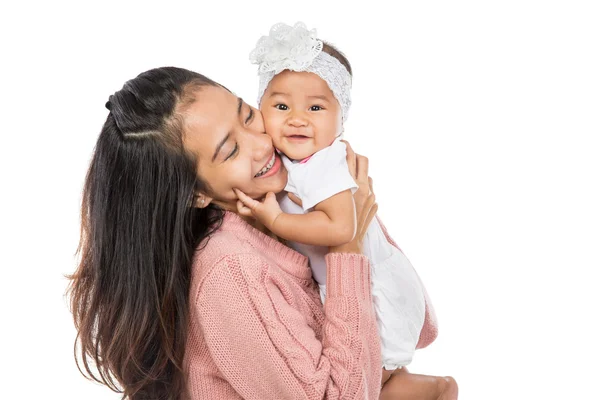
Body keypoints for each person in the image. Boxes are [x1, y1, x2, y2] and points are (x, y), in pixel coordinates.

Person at [68, 66, 456, 399]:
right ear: (197, 193)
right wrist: (346, 244)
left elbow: (417, 330)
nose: (261, 143)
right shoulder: (231, 270)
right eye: (230, 151)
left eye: (248, 115)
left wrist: (342, 208)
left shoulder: (288, 205)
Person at [235, 22, 457, 399]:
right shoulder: (289, 162)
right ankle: (432, 389)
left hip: (370, 288)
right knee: (368, 376)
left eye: (316, 107)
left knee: (368, 375)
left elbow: (340, 229)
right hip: (339, 282)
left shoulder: (325, 163)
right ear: (261, 110)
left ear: (341, 119)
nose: (297, 118)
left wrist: (274, 219)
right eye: (281, 105)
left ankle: (433, 390)